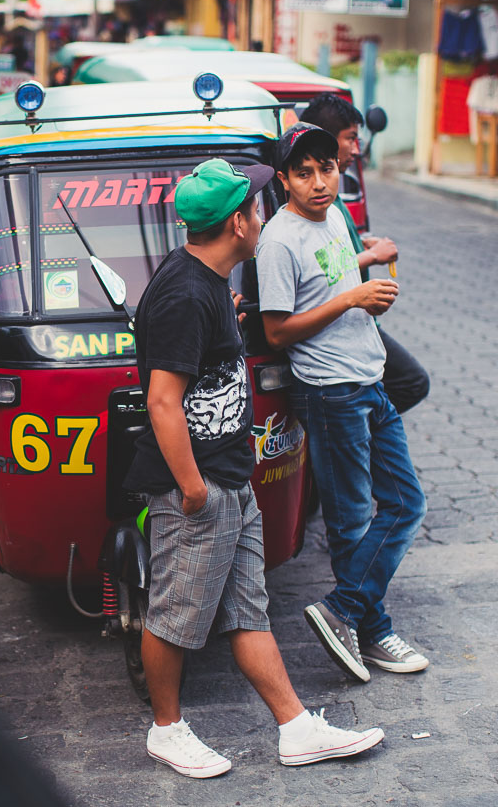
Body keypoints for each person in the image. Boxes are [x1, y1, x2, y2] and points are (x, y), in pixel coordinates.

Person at [124, 158, 384, 778]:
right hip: (200, 484)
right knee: (176, 614)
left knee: (247, 611)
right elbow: (162, 401)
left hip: (229, 477)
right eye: (258, 207)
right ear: (238, 222)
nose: (265, 214)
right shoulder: (185, 294)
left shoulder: (210, 281)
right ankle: (166, 730)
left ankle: (295, 727)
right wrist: (191, 488)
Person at [256, 124, 429, 684]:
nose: (318, 182)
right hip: (329, 391)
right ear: (284, 180)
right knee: (353, 519)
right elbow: (278, 330)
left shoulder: (335, 218)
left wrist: (365, 286)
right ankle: (371, 630)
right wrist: (353, 296)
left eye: (326, 168)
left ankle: (344, 610)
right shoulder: (279, 241)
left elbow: (332, 281)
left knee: (406, 503)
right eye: (303, 173)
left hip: (369, 377)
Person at [299, 92, 430, 415]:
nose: (356, 149)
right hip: (335, 329)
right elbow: (321, 265)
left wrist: (362, 243)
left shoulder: (333, 192)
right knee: (412, 382)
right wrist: (371, 257)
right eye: (350, 139)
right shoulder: (314, 199)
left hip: (356, 322)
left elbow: (332, 247)